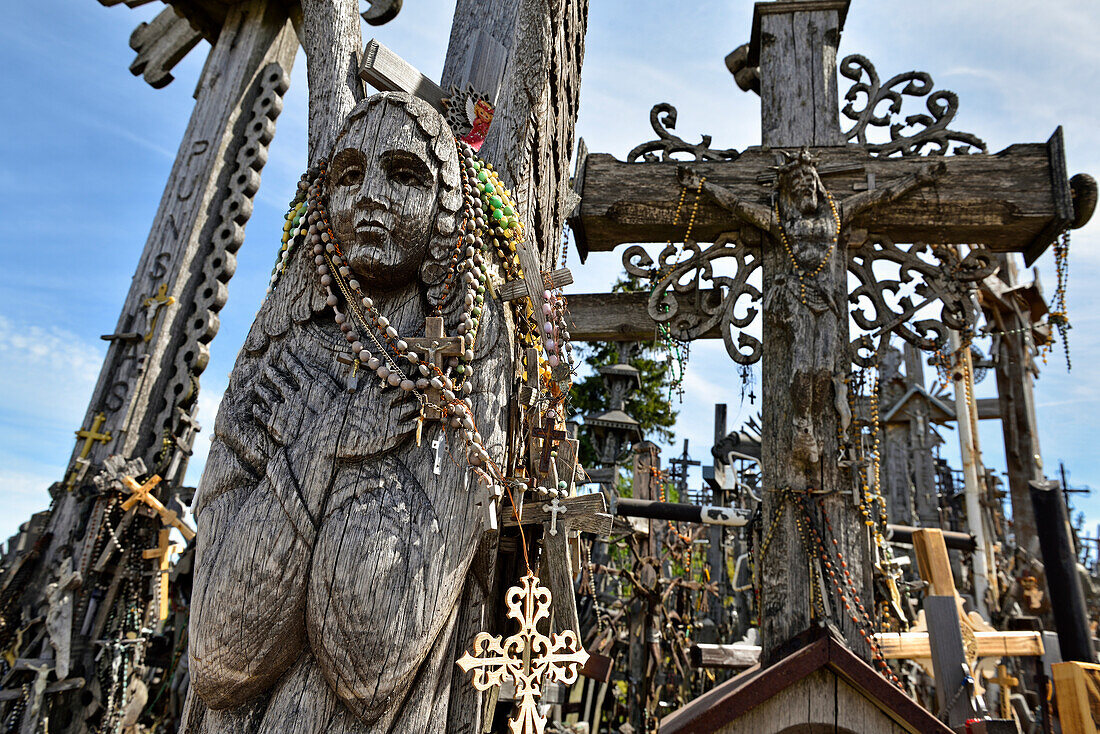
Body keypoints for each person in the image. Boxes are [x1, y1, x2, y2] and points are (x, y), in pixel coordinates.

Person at [183, 92, 507, 733]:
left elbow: (371, 661)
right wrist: (327, 444)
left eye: (405, 174)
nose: (368, 195)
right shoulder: (274, 362)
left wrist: (298, 471)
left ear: (448, 207)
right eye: (349, 174)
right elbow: (220, 658)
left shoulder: (461, 364)